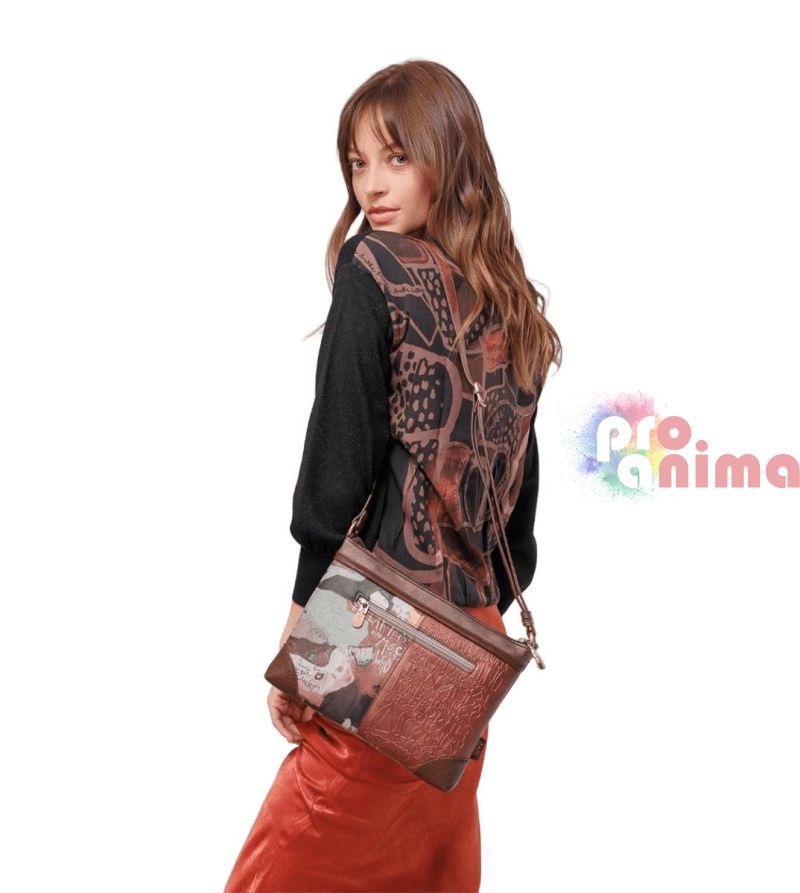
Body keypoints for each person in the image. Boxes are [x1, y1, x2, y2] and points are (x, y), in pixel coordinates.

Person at [223, 59, 562, 893]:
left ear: (449, 155)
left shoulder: (372, 268)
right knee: (425, 872)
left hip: (375, 628)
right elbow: (516, 523)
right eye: (357, 161)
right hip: (470, 640)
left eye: (397, 157)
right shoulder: (513, 303)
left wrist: (302, 637)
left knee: (286, 870)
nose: (371, 184)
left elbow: (336, 470)